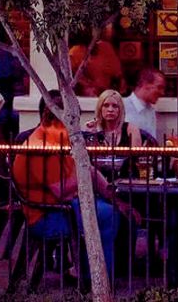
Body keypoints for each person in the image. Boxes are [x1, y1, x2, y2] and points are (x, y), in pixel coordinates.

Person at [12, 101, 131, 284]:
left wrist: (111, 195)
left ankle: (91, 272)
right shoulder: (41, 146)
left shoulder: (55, 139)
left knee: (115, 209)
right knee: (108, 215)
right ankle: (98, 278)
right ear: (58, 120)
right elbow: (61, 190)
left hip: (64, 206)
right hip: (46, 215)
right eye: (72, 121)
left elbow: (84, 172)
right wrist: (86, 173)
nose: (75, 128)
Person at [125, 68, 164, 141]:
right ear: (145, 84)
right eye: (159, 87)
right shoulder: (121, 108)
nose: (162, 93)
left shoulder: (151, 110)